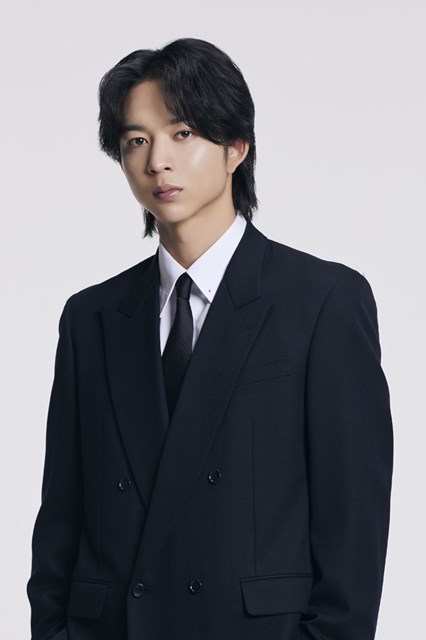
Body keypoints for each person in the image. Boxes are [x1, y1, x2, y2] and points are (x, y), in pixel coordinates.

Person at [27, 37, 393, 640]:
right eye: (136, 141)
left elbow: (353, 530)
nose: (158, 161)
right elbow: (60, 521)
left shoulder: (322, 302)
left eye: (183, 133)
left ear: (235, 148)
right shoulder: (90, 317)